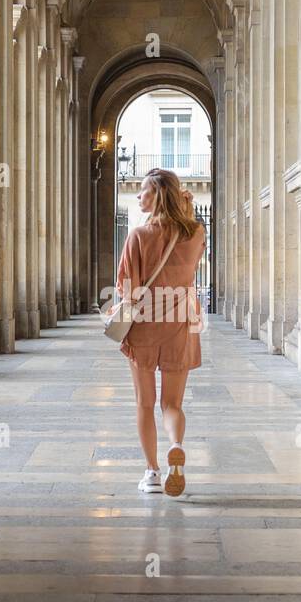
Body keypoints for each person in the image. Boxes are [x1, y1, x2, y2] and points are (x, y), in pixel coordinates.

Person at [114, 168, 206, 497]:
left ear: (158, 195)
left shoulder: (138, 235)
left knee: (144, 403)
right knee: (172, 404)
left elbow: (128, 287)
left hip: (143, 326)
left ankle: (152, 472)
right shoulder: (196, 233)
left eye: (144, 191)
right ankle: (176, 445)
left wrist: (119, 307)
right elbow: (192, 263)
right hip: (181, 323)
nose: (139, 196)